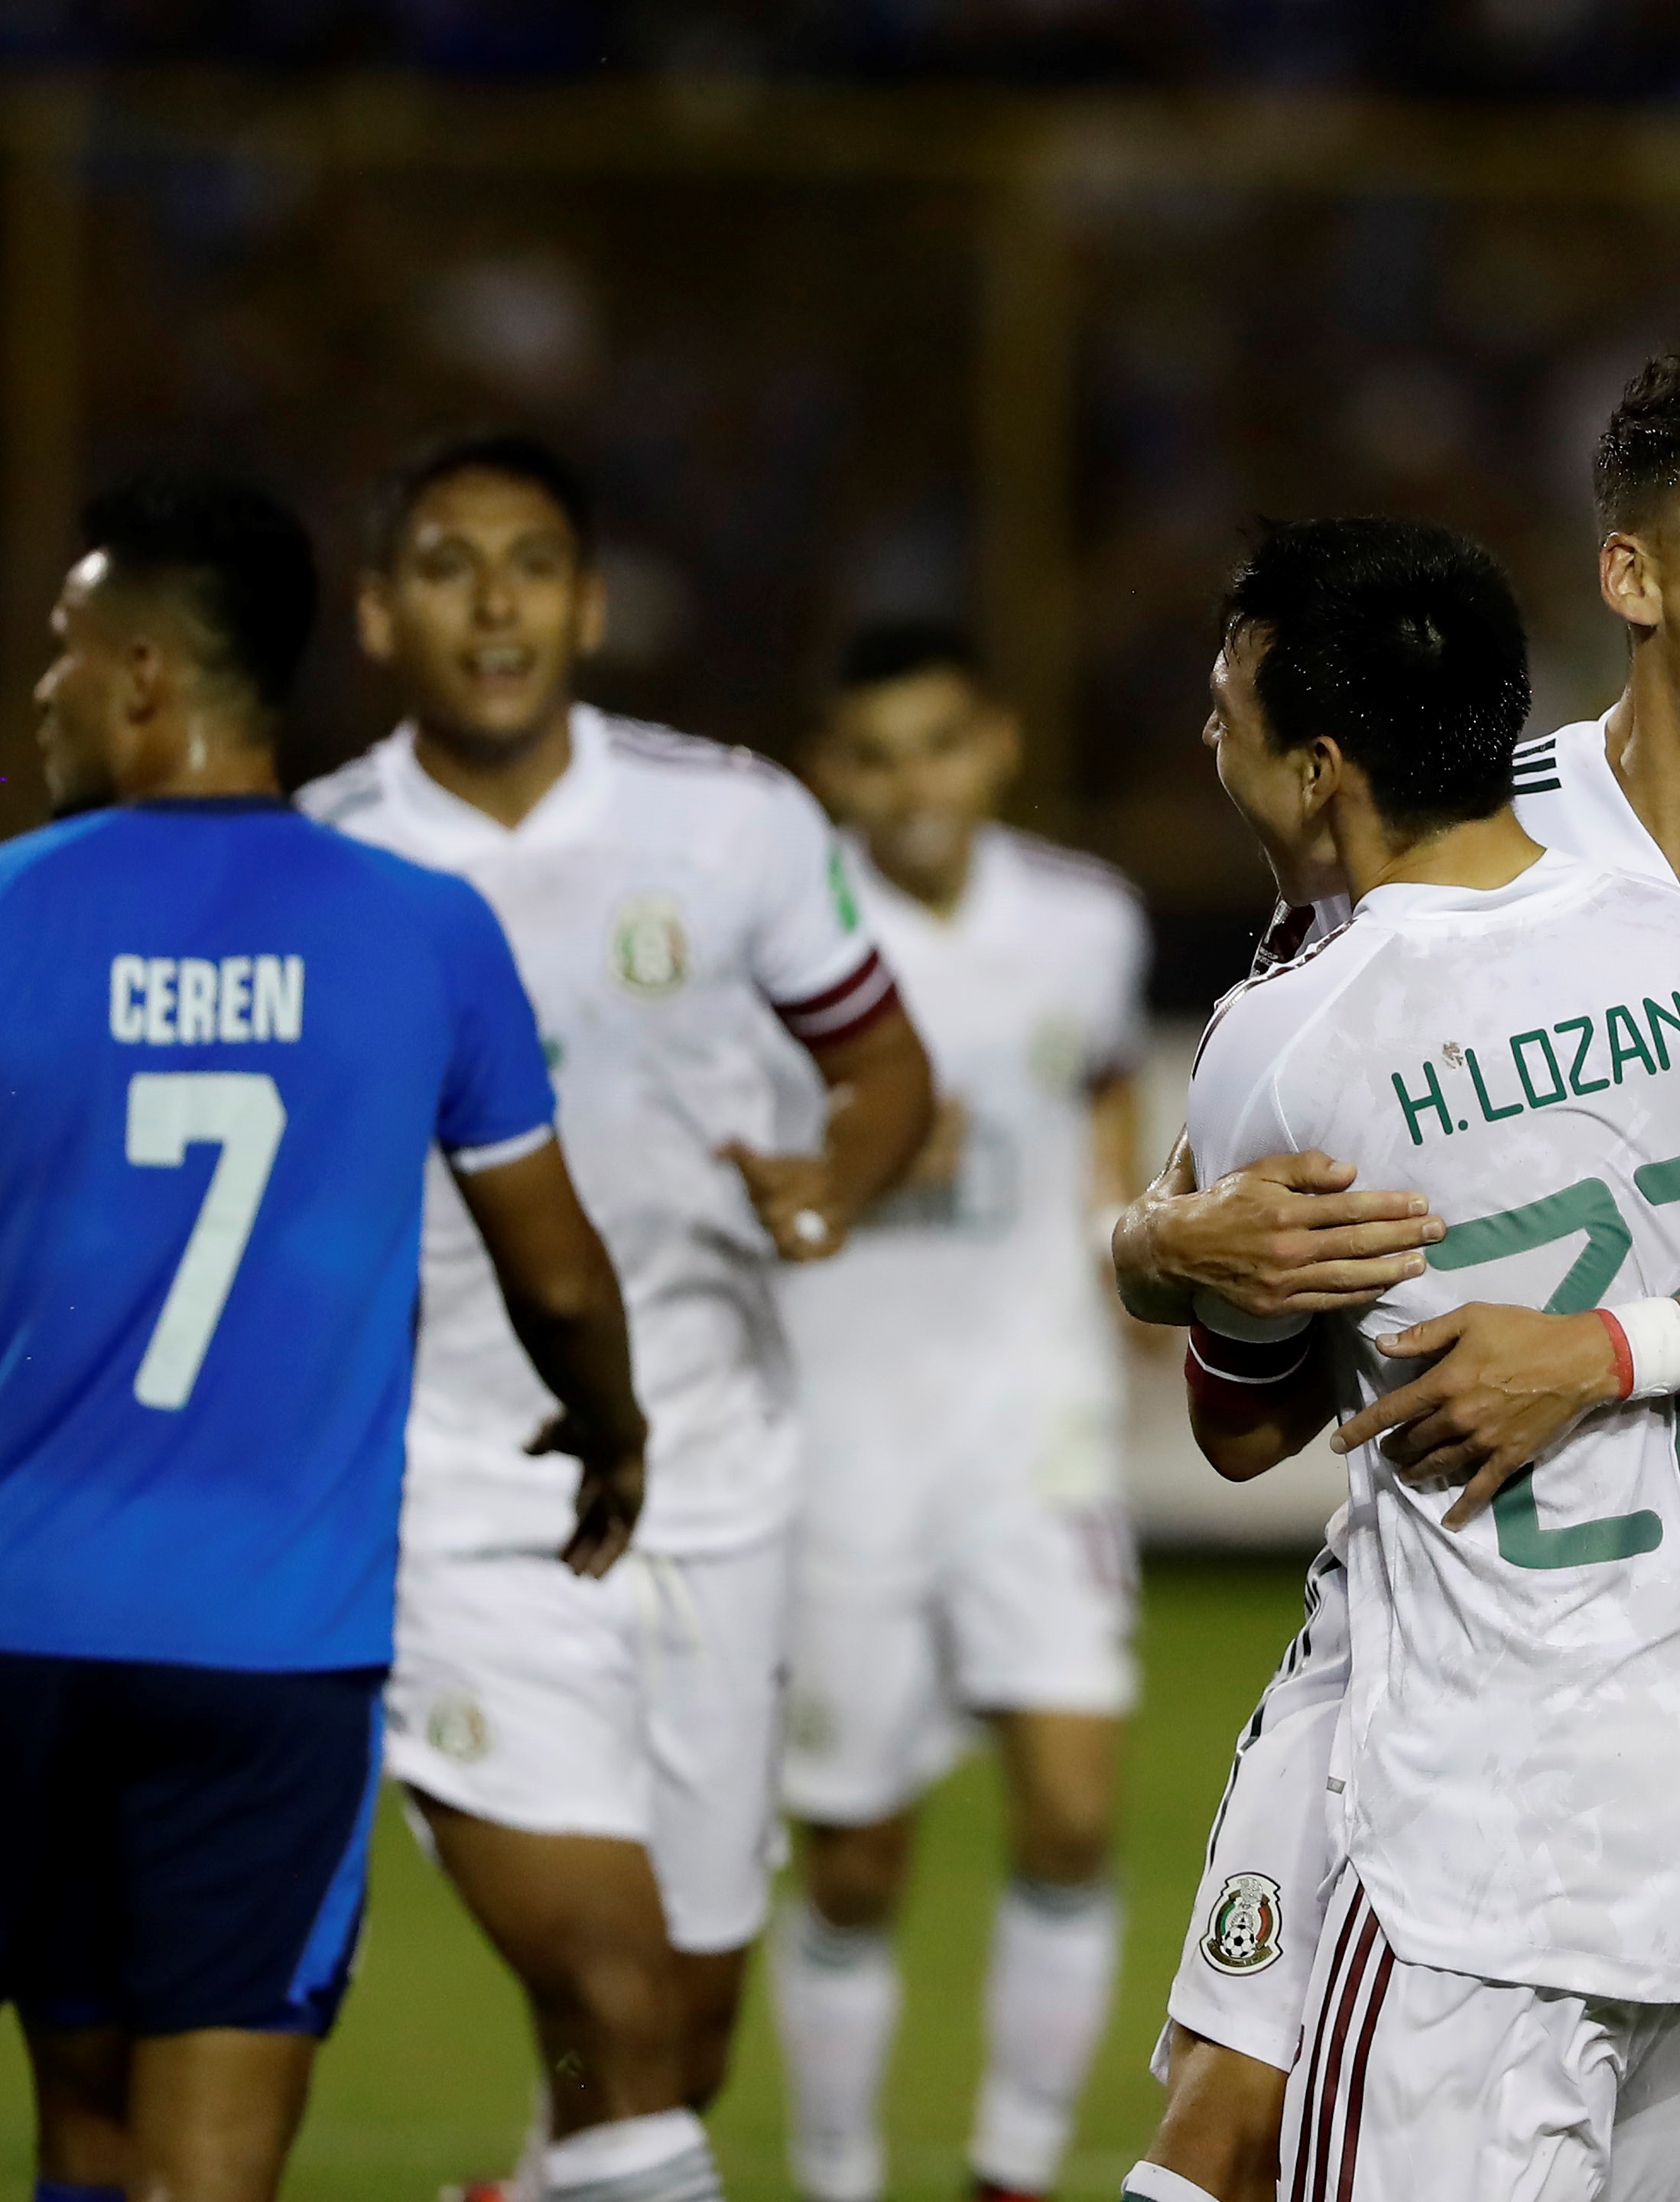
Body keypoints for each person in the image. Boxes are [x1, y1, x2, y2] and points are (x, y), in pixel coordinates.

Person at [1116, 349, 1680, 2202]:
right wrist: (1153, 1245)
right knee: (1226, 2132)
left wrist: (1597, 1353)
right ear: (1636, 578)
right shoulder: (1446, 809)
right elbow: (1267, 1247)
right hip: (1424, 1664)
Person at [1175, 512, 1680, 2194]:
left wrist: (1158, 1248)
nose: (1211, 745)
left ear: (1324, 768)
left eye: (1229, 715)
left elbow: (1243, 1424)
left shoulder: (1297, 1028)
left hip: (1487, 1856)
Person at [297, 431, 934, 2202]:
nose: (489, 600)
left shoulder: (730, 822)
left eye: (526, 563)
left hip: (721, 1478)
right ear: (376, 612)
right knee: (610, 1988)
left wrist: (837, 1179)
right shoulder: (319, 859)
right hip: (459, 1491)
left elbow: (880, 1062)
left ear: (585, 604)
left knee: (680, 2034)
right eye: (443, 563)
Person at [0, 473, 648, 2202]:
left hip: (30, 1624)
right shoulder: (422, 930)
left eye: (64, 653)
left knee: (78, 2133)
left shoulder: (10, 914)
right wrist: (613, 1433)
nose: (44, 689)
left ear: (145, 676)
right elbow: (564, 1280)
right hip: (269, 1646)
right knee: (211, 2171)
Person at [765, 621, 1153, 2202]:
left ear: (993, 745)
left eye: (938, 744)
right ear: (828, 777)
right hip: (840, 1448)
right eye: (875, 754)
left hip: (1033, 1432)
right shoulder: (783, 942)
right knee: (854, 1863)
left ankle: (1010, 2174)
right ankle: (840, 2174)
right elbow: (727, 1166)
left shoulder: (1082, 921)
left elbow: (1108, 1084)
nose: (911, 783)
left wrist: (1122, 1229)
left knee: (1070, 1808)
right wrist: (837, 1162)